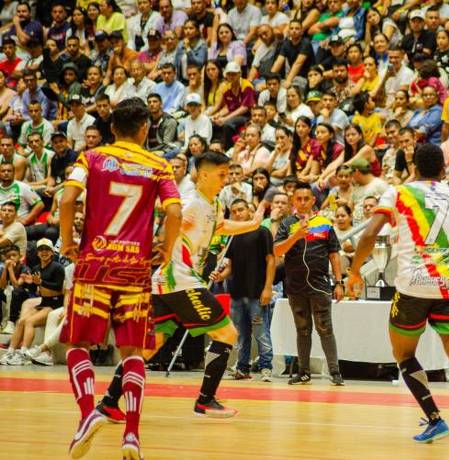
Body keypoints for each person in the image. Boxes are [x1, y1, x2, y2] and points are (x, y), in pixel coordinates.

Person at [347, 145, 449, 443]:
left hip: (413, 286)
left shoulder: (399, 193)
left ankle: (435, 419)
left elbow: (369, 235)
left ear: (413, 167)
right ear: (444, 169)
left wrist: (354, 271)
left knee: (404, 355)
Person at [58, 98, 182, 460]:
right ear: (145, 129)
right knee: (132, 352)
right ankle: (131, 435)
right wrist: (165, 248)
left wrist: (67, 241)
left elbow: (67, 200)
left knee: (77, 344)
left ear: (112, 128)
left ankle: (86, 416)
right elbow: (173, 210)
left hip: (94, 262)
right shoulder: (159, 165)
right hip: (135, 268)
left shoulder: (91, 158)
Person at [101, 152, 267, 420]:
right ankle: (205, 401)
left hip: (166, 283)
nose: (226, 180)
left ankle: (108, 402)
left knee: (149, 347)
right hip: (180, 280)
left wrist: (253, 224)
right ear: (203, 174)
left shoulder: (212, 205)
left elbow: (220, 226)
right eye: (221, 175)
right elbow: (168, 222)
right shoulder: (189, 202)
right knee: (227, 333)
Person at [274, 182, 345, 386]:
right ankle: (303, 372)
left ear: (313, 200)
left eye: (307, 199)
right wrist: (296, 236)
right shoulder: (287, 224)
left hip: (320, 285)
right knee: (302, 329)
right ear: (293, 201)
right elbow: (277, 251)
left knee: (325, 328)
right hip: (295, 286)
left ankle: (335, 372)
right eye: (299, 199)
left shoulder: (325, 223)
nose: (303, 203)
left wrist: (339, 282)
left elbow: (334, 254)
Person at [211, 198, 275, 380]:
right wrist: (220, 276)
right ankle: (242, 368)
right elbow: (230, 266)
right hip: (237, 293)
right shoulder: (232, 236)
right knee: (241, 334)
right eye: (234, 211)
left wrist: (268, 288)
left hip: (256, 292)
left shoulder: (262, 232)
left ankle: (266, 367)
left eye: (241, 210)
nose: (238, 214)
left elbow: (271, 260)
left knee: (261, 332)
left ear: (249, 211)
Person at [2, 238, 65, 364]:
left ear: (52, 252)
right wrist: (30, 283)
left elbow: (58, 287)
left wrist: (41, 282)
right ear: (37, 253)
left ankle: (24, 354)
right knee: (20, 322)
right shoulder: (36, 268)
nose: (44, 252)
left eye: (47, 249)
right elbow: (35, 289)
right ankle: (10, 352)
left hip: (55, 304)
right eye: (41, 250)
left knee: (29, 322)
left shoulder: (58, 267)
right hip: (44, 302)